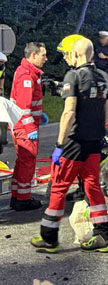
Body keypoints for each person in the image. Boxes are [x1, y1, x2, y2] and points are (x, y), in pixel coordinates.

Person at [31, 37, 108, 253]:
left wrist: (59, 144)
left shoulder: (73, 75)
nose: (66, 58)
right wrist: (101, 130)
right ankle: (103, 235)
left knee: (59, 186)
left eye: (67, 54)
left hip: (74, 142)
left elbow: (68, 112)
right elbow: (107, 109)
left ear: (76, 54)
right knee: (92, 186)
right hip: (95, 141)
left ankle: (49, 237)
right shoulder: (103, 76)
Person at [9, 42, 47, 211]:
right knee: (28, 162)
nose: (45, 59)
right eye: (43, 55)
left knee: (22, 161)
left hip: (20, 125)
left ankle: (17, 196)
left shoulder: (26, 72)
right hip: (24, 127)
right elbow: (24, 107)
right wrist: (30, 128)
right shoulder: (26, 76)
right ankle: (23, 199)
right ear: (33, 55)